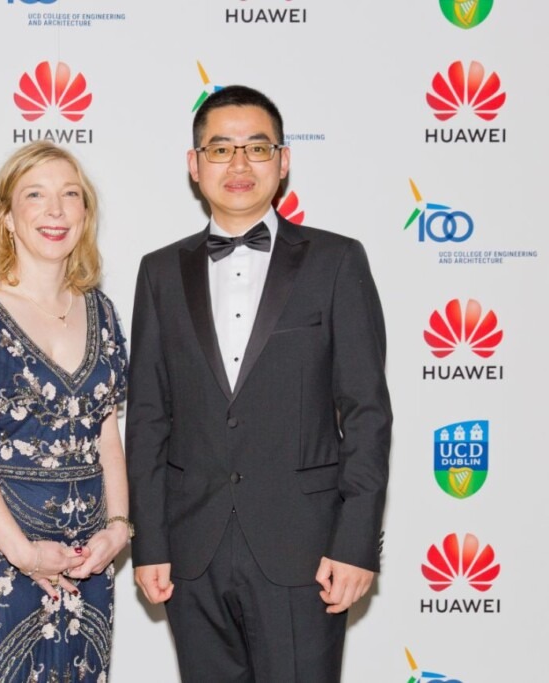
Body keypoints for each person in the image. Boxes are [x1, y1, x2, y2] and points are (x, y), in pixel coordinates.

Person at [126, 85, 392, 682]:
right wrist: (152, 543)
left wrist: (354, 542)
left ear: (284, 159)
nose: (239, 164)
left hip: (306, 550)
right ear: (195, 164)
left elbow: (367, 413)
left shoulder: (337, 261)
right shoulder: (159, 271)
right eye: (221, 149)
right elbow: (147, 417)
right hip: (192, 550)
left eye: (257, 147)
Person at [0, 141, 131, 682]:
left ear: (85, 213)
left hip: (86, 560)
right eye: (35, 195)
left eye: (70, 195)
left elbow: (107, 437)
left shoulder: (102, 311)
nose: (55, 210)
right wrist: (23, 552)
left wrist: (117, 528)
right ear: (7, 217)